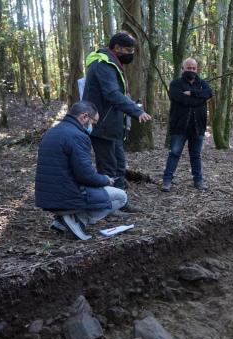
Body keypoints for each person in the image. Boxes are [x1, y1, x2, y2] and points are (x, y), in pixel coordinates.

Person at [35, 101, 128, 241]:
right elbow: (85, 175)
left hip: (46, 196)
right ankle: (78, 220)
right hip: (66, 196)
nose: (93, 127)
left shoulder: (53, 131)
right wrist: (105, 180)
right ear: (84, 117)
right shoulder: (78, 136)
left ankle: (61, 222)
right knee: (121, 197)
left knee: (102, 190)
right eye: (93, 122)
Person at [83, 31, 152, 211]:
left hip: (113, 126)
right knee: (108, 168)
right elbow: (112, 94)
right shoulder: (103, 64)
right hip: (101, 125)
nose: (131, 54)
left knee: (120, 165)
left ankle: (121, 202)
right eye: (128, 50)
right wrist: (135, 111)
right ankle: (108, 205)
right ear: (116, 48)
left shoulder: (112, 63)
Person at [161, 57, 214, 192]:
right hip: (179, 126)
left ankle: (198, 181)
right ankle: (167, 181)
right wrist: (199, 99)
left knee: (196, 155)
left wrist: (192, 93)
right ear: (183, 68)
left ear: (197, 69)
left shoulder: (202, 84)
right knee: (174, 153)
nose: (191, 70)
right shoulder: (175, 84)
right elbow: (178, 98)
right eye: (188, 68)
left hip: (198, 126)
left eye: (193, 68)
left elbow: (209, 93)